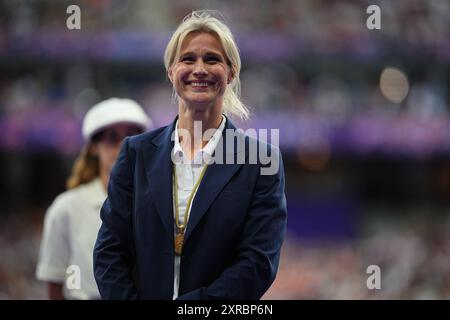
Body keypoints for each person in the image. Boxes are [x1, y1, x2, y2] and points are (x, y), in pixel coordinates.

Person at [94, 10, 287, 300]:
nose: (200, 69)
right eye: (187, 59)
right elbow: (109, 251)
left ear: (231, 72)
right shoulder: (136, 154)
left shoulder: (261, 162)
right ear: (171, 71)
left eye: (212, 59)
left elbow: (257, 263)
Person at [36, 98, 151, 299]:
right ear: (93, 147)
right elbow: (54, 283)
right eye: (112, 138)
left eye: (132, 136)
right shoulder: (67, 208)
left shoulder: (158, 202)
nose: (123, 146)